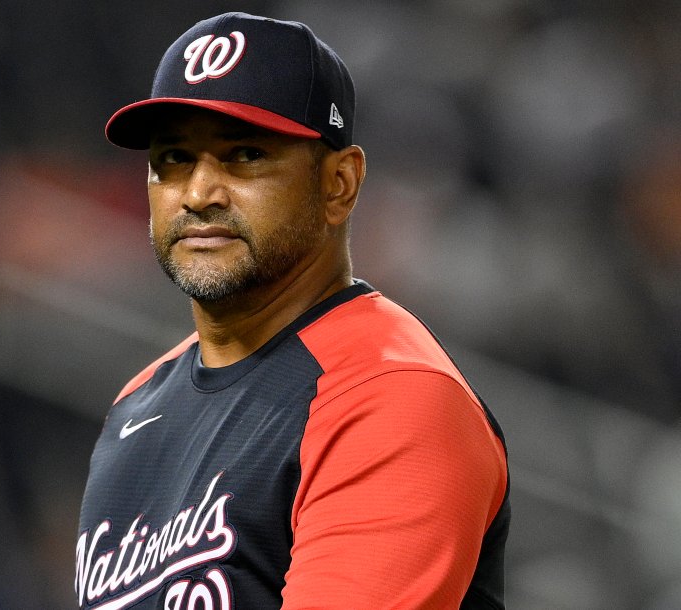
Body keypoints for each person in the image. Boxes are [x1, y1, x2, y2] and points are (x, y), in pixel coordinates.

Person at [75, 12, 510, 610]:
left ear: (339, 183)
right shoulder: (137, 402)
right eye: (174, 158)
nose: (199, 193)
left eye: (245, 155)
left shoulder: (390, 395)